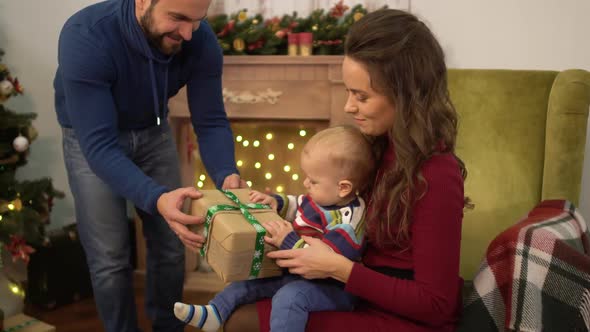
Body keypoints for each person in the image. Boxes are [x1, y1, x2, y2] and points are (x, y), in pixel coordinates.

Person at [222, 8, 470, 332]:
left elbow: (437, 306)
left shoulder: (437, 175)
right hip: (354, 295)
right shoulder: (374, 146)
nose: (348, 107)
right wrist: (286, 209)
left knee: (243, 321)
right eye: (348, 91)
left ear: (406, 95)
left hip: (400, 317)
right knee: (235, 304)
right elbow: (341, 215)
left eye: (362, 96)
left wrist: (339, 270)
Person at [54, 0, 246, 331]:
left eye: (196, 21)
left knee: (172, 246)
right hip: (91, 140)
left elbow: (211, 121)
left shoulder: (200, 40)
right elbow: (99, 146)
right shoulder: (85, 35)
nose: (187, 33)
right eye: (178, 18)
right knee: (110, 259)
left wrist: (227, 174)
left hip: (153, 132)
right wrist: (157, 198)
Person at [173, 125, 376, 332]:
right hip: (298, 273)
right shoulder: (324, 196)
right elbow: (299, 202)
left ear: (343, 187)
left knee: (289, 298)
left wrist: (288, 240)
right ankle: (215, 312)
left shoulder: (349, 220)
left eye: (313, 181)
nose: (306, 183)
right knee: (249, 282)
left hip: (333, 287)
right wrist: (276, 202)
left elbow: (325, 260)